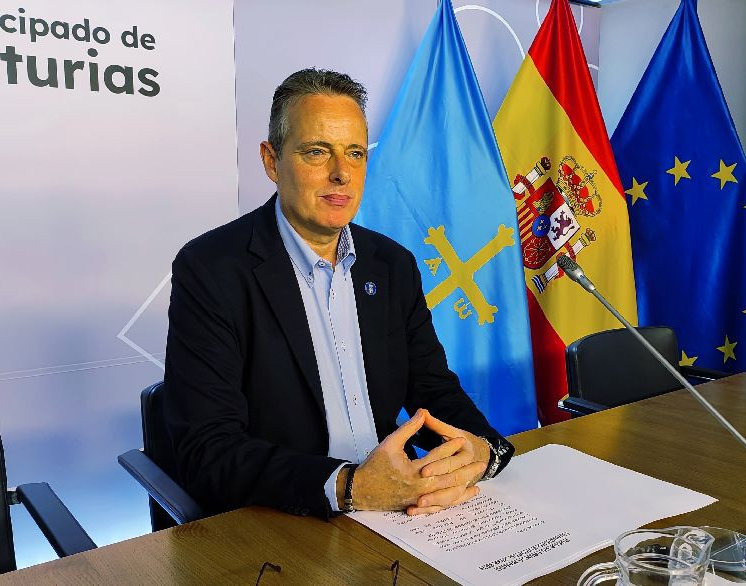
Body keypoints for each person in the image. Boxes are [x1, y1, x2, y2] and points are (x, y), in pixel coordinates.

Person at [163, 68, 514, 520]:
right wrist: (351, 487)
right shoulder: (211, 268)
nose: (341, 174)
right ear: (271, 161)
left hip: (399, 509)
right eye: (316, 152)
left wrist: (482, 450)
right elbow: (207, 450)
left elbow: (432, 388)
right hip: (286, 516)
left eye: (355, 153)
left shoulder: (392, 264)